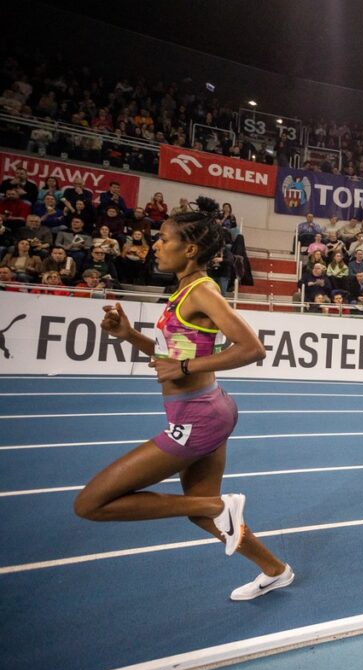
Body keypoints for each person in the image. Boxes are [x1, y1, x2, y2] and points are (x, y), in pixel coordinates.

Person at [73, 197, 294, 600]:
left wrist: (188, 369)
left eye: (163, 239)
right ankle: (274, 569)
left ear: (189, 249)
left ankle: (216, 507)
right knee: (198, 509)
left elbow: (252, 348)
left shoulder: (203, 292)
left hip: (197, 418)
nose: (155, 245)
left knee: (90, 504)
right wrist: (130, 336)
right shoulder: (184, 290)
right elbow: (170, 356)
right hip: (208, 408)